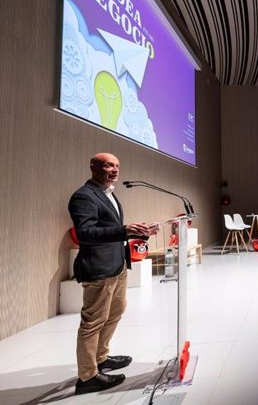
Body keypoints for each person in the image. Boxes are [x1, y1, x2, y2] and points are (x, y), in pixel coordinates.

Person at [69, 153, 159, 394]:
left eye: (117, 165)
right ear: (93, 167)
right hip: (98, 267)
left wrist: (138, 231)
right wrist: (123, 230)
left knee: (115, 312)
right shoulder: (83, 196)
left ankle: (101, 358)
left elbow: (111, 229)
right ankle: (87, 377)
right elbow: (86, 233)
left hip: (116, 265)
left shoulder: (109, 193)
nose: (115, 170)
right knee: (92, 322)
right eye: (109, 165)